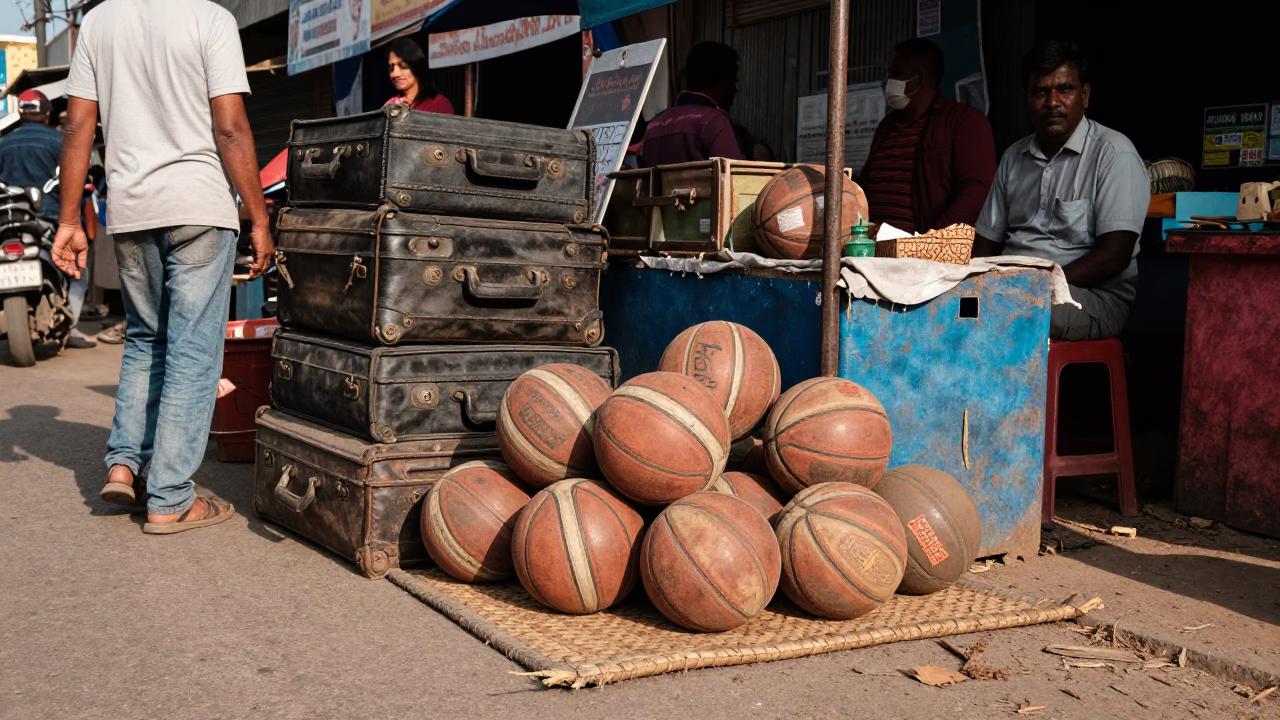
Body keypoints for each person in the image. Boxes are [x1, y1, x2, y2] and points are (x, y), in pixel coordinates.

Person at [53, 0, 273, 534]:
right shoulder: (211, 19)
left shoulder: (100, 20)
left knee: (146, 339)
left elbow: (78, 123)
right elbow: (230, 127)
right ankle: (170, 496)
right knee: (193, 351)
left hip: (131, 211)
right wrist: (259, 216)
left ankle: (126, 464)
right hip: (198, 205)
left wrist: (68, 221)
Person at [973, 41, 1148, 341]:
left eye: (1064, 89)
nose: (1052, 102)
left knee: (1006, 312)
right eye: (1040, 91)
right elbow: (985, 244)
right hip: (1008, 290)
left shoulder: (1114, 154)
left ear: (1086, 95)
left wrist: (1036, 286)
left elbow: (1114, 256)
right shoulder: (1014, 157)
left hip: (1088, 298)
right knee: (946, 307)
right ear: (1027, 98)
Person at [860, 39, 996, 233]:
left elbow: (977, 190)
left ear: (921, 78)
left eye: (895, 74)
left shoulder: (964, 122)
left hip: (923, 252)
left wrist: (932, 239)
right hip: (871, 246)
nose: (887, 82)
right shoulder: (888, 125)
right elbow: (868, 181)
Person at [0, 90, 96, 348]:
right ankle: (71, 328)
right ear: (46, 114)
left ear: (21, 113)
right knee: (77, 272)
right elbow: (78, 179)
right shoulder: (59, 141)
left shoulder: (3, 143)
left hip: (8, 223)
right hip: (52, 221)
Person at [640, 42, 745, 167]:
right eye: (733, 82)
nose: (735, 90)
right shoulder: (715, 122)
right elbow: (736, 177)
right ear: (723, 84)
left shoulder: (653, 126)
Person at [385, 37, 454, 114]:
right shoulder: (389, 106)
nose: (395, 74)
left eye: (402, 65)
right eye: (391, 68)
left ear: (416, 65)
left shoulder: (439, 105)